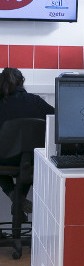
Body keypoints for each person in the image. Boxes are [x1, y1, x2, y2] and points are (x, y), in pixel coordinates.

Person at [0, 67, 55, 213]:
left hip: (2, 160)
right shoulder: (36, 101)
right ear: (22, 82)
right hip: (30, 161)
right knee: (28, 159)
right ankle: (18, 200)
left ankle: (14, 196)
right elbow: (58, 120)